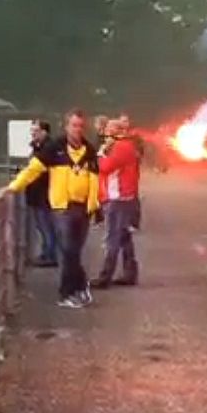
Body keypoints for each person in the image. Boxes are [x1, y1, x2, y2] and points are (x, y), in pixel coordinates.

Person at [4, 109, 100, 308]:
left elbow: (95, 180)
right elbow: (33, 169)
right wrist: (14, 187)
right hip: (62, 208)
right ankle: (69, 292)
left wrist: (95, 205)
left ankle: (77, 289)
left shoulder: (89, 151)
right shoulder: (55, 148)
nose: (78, 130)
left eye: (81, 126)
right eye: (74, 125)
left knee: (73, 252)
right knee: (68, 250)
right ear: (66, 126)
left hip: (83, 209)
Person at [92, 118, 141, 288]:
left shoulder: (121, 147)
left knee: (112, 238)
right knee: (124, 237)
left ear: (116, 132)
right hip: (125, 197)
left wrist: (101, 153)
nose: (105, 134)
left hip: (118, 198)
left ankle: (105, 277)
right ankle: (130, 273)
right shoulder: (128, 146)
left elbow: (105, 167)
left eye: (108, 131)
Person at [26, 119, 58, 267]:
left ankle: (51, 256)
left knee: (46, 226)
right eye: (32, 131)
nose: (32, 134)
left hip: (44, 194)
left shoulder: (47, 149)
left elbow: (38, 169)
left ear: (44, 132)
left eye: (36, 131)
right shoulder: (38, 147)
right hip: (38, 193)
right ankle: (47, 253)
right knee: (42, 226)